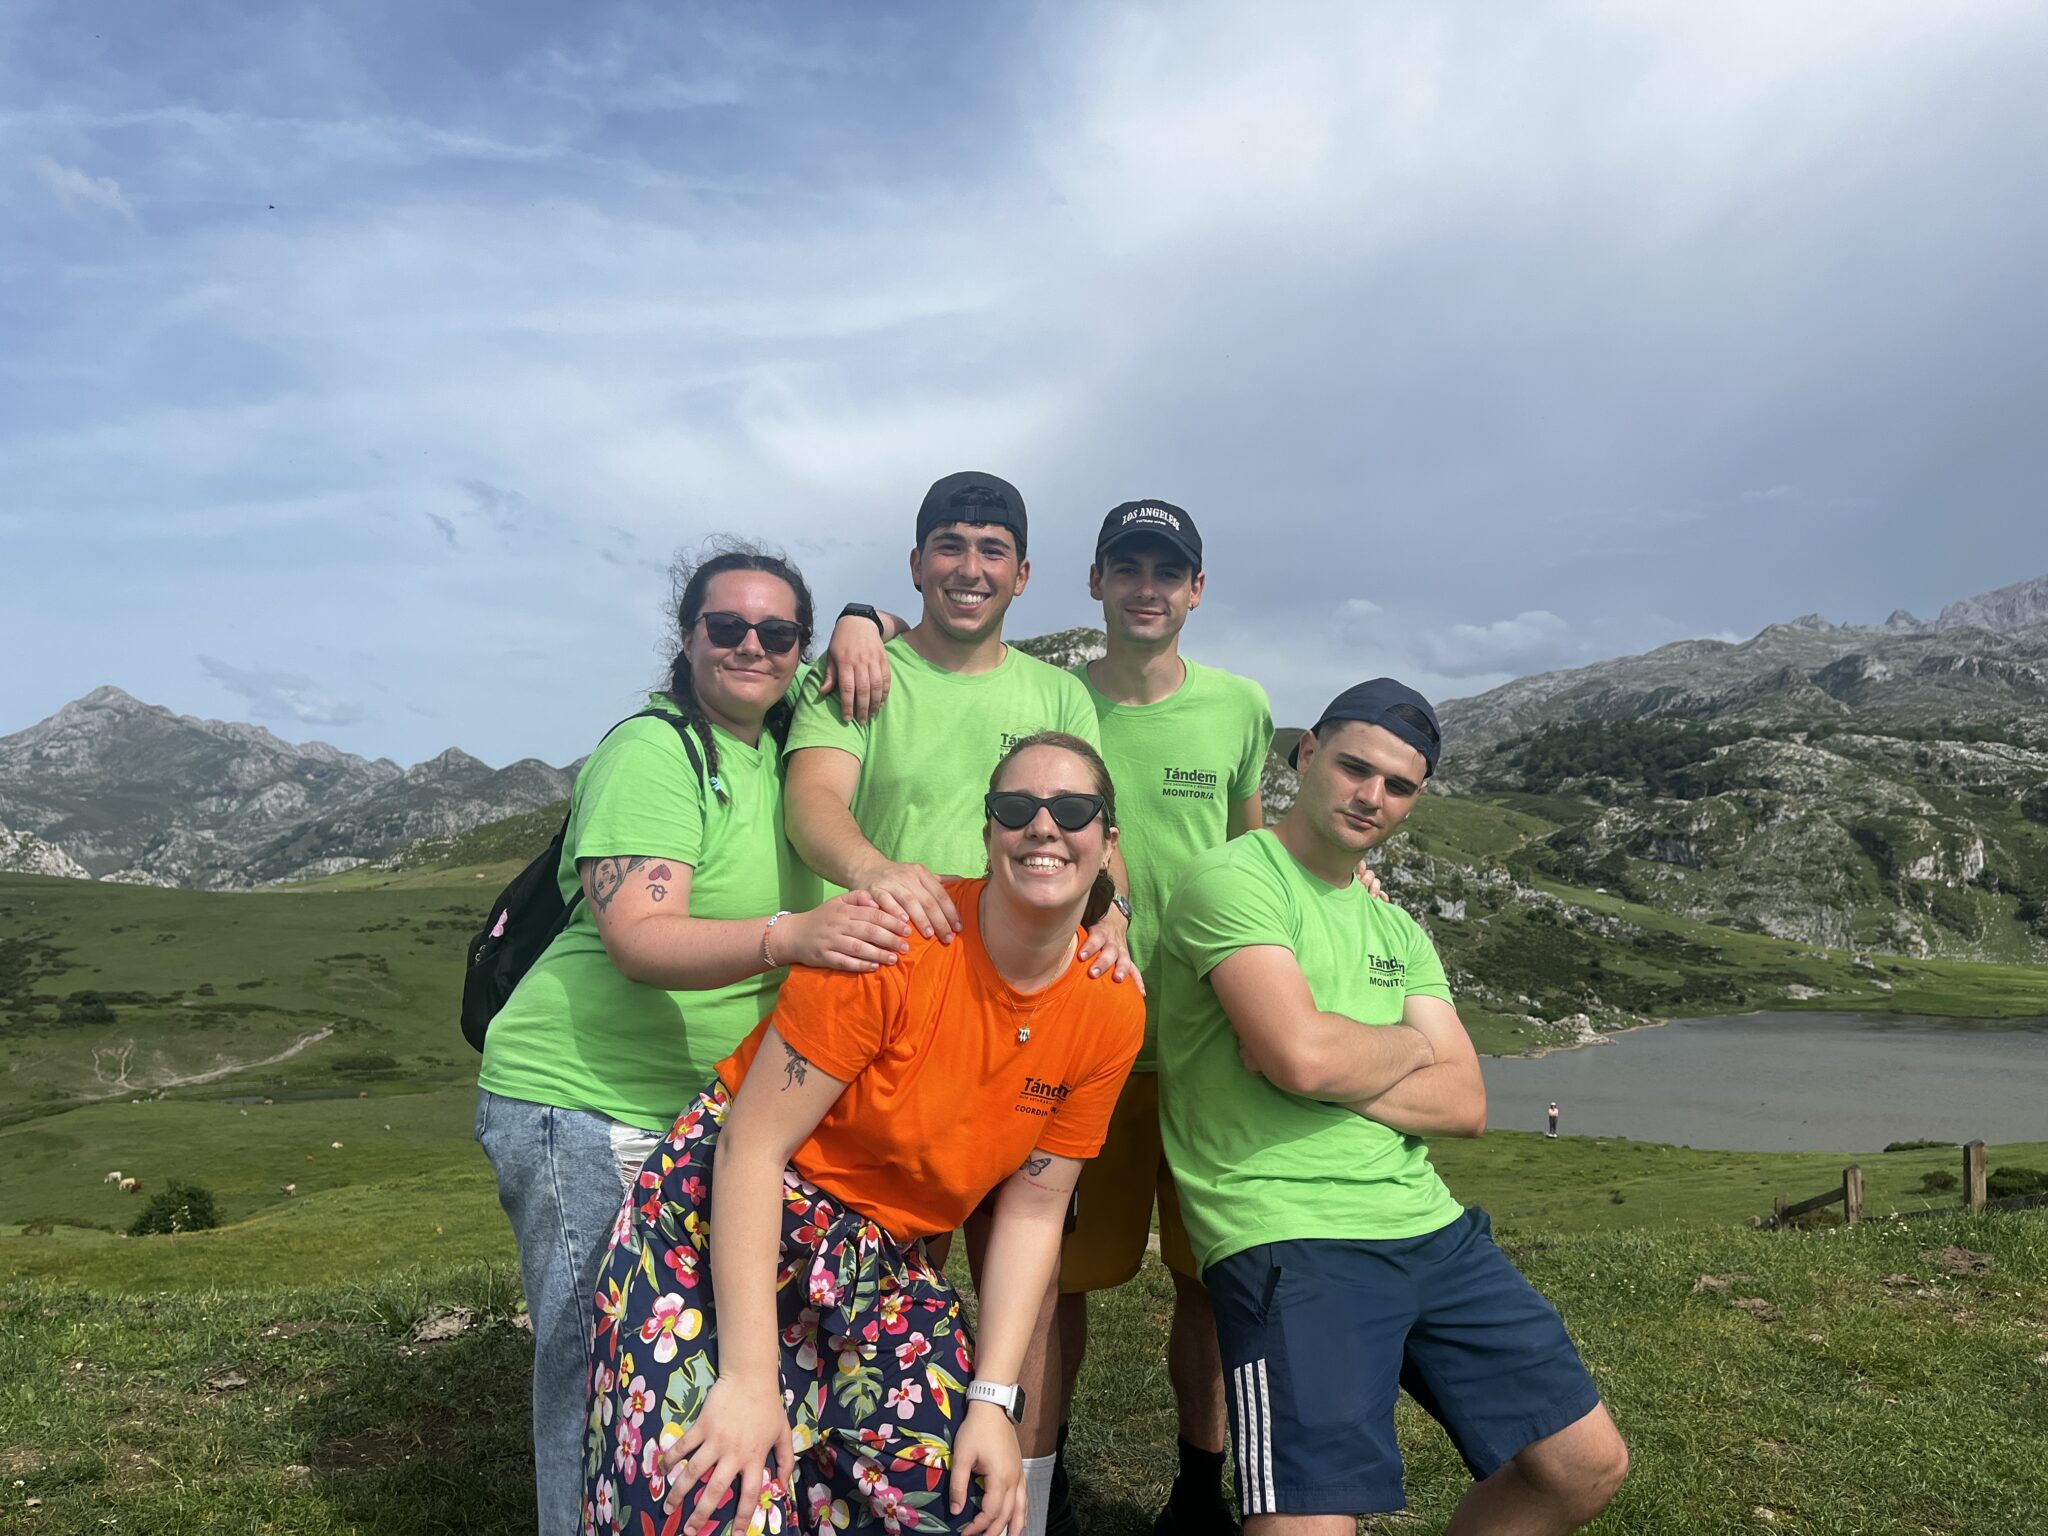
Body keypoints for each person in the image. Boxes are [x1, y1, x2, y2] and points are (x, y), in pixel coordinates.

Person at [584, 732, 1145, 1536]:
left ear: (1107, 842)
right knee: (707, 1494)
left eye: (1073, 810)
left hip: (875, 1255)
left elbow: (1031, 1211)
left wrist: (994, 1402)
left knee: (948, 1500)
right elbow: (753, 1147)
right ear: (989, 834)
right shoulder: (898, 942)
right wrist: (749, 1378)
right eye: (1016, 809)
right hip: (723, 1219)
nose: (1044, 828)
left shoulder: (1110, 1009)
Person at [476, 543, 915, 1536]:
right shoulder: (653, 752)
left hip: (687, 1113)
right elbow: (638, 937)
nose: (750, 647)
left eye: (778, 632)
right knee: (595, 1370)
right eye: (726, 628)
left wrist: (859, 616)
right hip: (584, 1105)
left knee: (670, 1362)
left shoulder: (777, 737)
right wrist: (790, 938)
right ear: (687, 640)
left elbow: (877, 632)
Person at [1157, 680, 1629, 1533]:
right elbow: (1300, 1057)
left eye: (1399, 785)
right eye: (1353, 767)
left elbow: (1466, 1100)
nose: (1371, 796)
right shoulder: (1232, 880)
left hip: (1426, 1224)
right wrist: (1408, 1048)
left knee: (1583, 1466)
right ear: (1305, 757)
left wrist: (1342, 1059)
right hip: (1286, 1231)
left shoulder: (1399, 930)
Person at [782, 471, 1135, 1526]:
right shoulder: (858, 672)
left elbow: (1083, 822)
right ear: (916, 564)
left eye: (991, 549)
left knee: (1024, 1277)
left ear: (1023, 574)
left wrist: (1107, 910)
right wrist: (878, 874)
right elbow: (812, 804)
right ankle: (863, 1480)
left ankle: (1016, 1502)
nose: (969, 568)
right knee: (893, 1270)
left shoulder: (1056, 694)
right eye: (948, 545)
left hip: (1028, 1004)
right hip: (894, 1003)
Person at [1049, 501, 1272, 1536]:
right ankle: (1036, 1483)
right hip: (1071, 1037)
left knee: (1206, 1280)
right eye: (1127, 567)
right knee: (1055, 1282)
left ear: (1194, 590)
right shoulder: (1051, 699)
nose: (1147, 587)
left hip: (1202, 1044)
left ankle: (1197, 1490)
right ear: (1094, 581)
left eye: (1166, 571)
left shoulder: (1239, 707)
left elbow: (1253, 856)